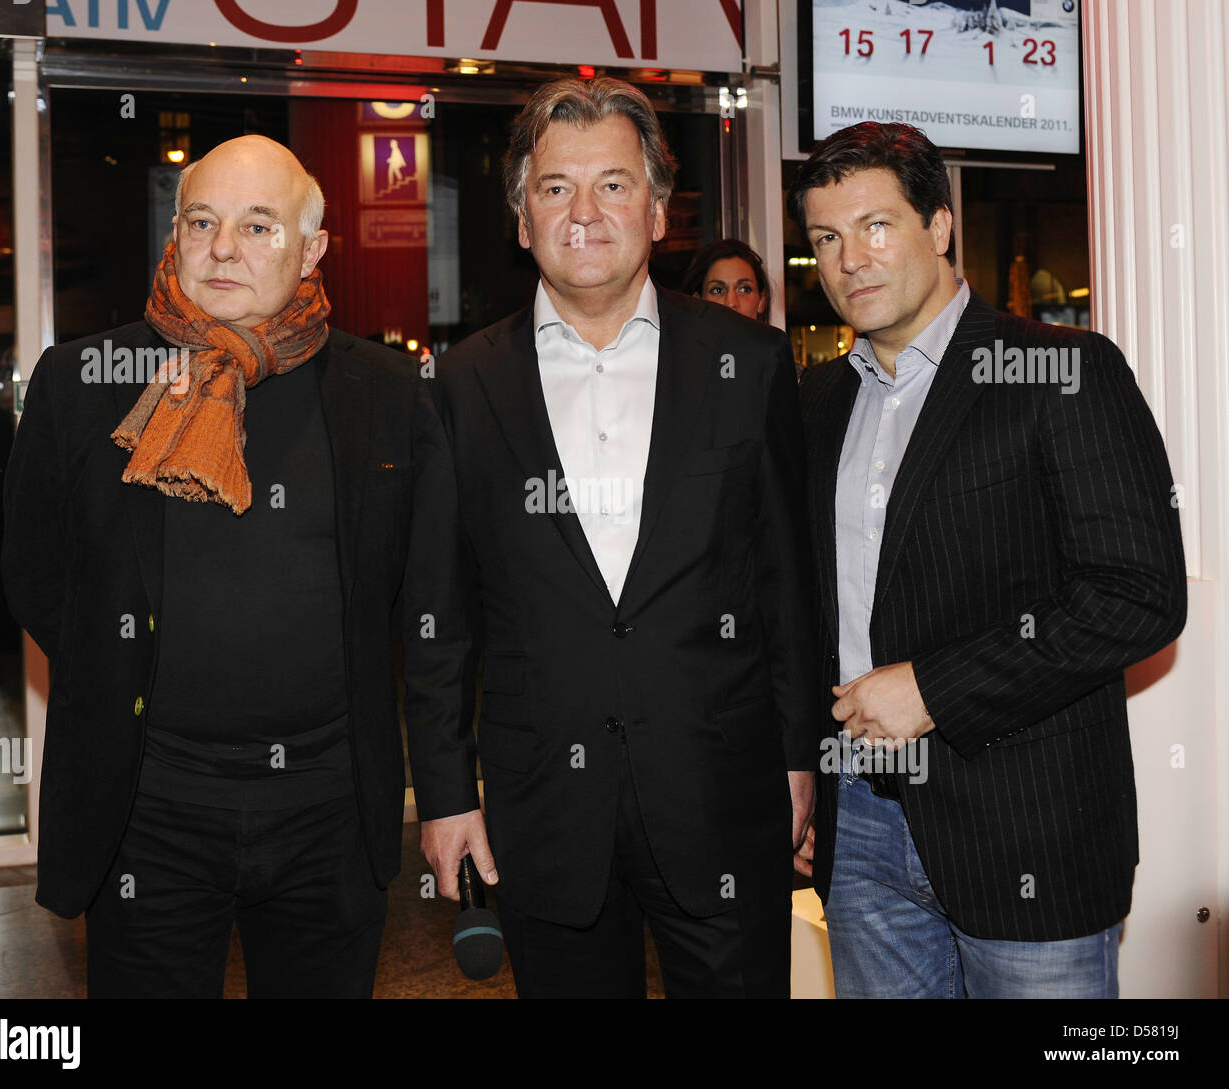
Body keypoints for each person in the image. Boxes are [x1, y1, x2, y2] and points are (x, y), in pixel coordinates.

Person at [2, 135, 460, 998]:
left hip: (329, 810)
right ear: (174, 232)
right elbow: (33, 572)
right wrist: (124, 667)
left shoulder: (388, 394)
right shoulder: (84, 381)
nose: (222, 249)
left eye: (258, 226)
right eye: (202, 221)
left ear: (312, 246)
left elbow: (430, 607)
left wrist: (443, 790)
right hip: (147, 813)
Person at [404, 77, 820, 998]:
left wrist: (801, 757)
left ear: (660, 211)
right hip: (542, 811)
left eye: (614, 184)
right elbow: (438, 611)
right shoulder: (463, 384)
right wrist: (443, 791)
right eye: (554, 188)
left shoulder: (746, 363)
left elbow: (788, 582)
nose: (583, 211)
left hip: (724, 797)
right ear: (522, 219)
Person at [790, 122, 1186, 998]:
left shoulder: (1062, 371)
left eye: (876, 226)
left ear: (939, 225)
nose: (851, 257)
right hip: (859, 826)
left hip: (1026, 826)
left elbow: (1140, 596)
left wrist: (935, 687)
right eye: (827, 237)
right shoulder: (819, 399)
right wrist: (806, 772)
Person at [681, 238, 772, 324]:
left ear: (761, 300)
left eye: (744, 289)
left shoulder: (778, 340)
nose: (731, 303)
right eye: (718, 290)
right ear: (697, 301)